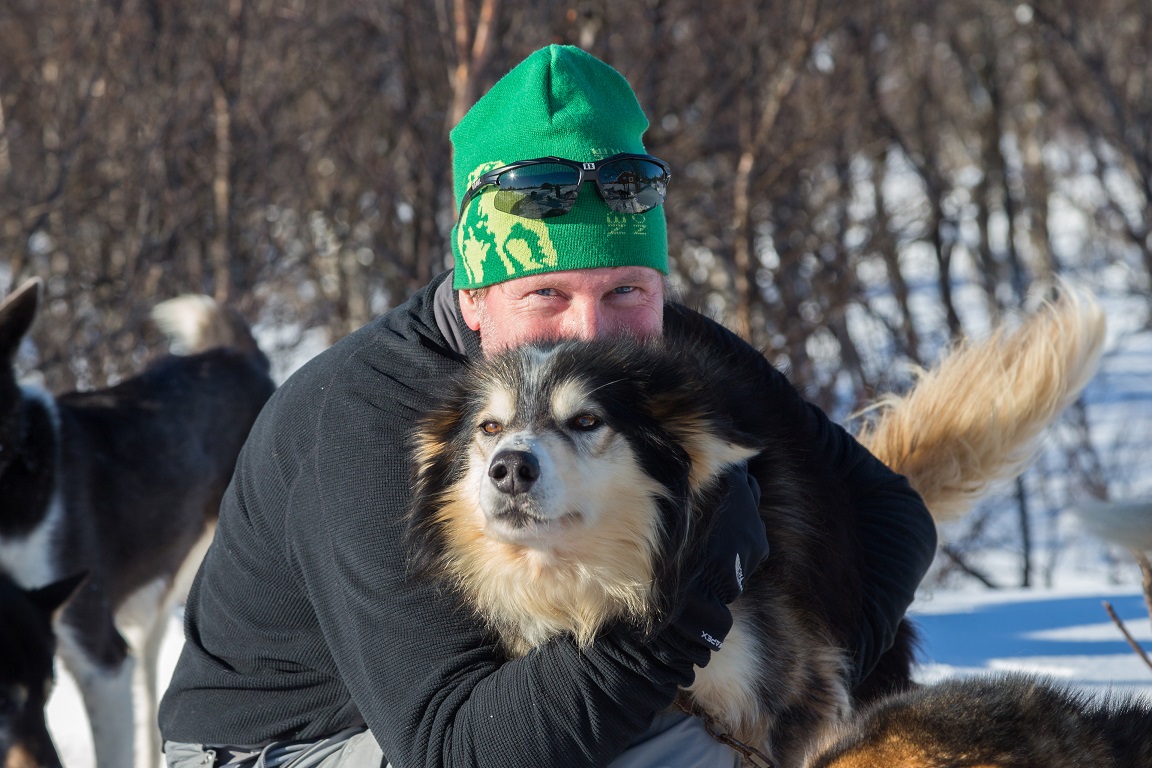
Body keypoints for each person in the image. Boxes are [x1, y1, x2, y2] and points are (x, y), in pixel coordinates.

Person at [159, 45, 937, 768]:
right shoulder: (368, 415)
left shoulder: (650, 353)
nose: (592, 330)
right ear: (472, 297)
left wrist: (816, 687)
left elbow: (890, 515)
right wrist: (686, 606)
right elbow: (455, 750)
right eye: (546, 295)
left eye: (626, 290)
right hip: (293, 748)